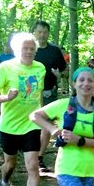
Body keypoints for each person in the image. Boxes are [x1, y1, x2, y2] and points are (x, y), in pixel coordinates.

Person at [0, 32, 46, 186]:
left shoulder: (40, 68)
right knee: (10, 164)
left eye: (32, 49)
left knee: (33, 166)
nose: (29, 52)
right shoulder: (5, 67)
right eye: (25, 48)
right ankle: (4, 184)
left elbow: (38, 96)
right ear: (16, 49)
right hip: (10, 125)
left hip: (31, 124)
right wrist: (6, 98)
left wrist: (43, 114)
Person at [31, 20, 68, 172]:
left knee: (46, 126)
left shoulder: (54, 50)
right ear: (34, 32)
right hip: (30, 94)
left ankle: (39, 157)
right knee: (30, 126)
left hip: (49, 93)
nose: (42, 35)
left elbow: (65, 71)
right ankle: (29, 153)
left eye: (45, 32)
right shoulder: (29, 49)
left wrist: (60, 74)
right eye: (39, 32)